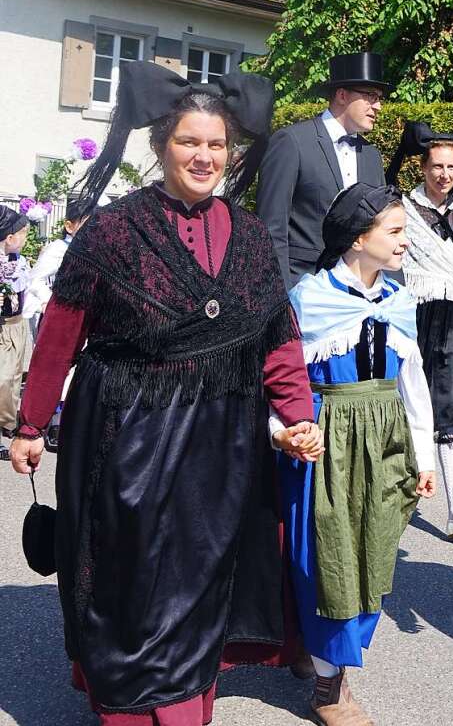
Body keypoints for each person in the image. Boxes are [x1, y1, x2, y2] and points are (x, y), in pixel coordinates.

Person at [8, 61, 324, 724]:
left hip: (220, 443)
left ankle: (183, 706)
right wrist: (31, 425)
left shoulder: (248, 238)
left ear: (231, 152)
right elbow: (63, 332)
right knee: (130, 583)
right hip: (127, 436)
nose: (204, 156)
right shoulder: (113, 229)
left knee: (200, 579)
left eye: (216, 144)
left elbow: (277, 338)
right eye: (189, 141)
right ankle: (128, 703)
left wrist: (298, 415)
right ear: (161, 147)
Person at [278, 181, 437, 726]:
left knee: (374, 554)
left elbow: (414, 384)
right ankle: (330, 687)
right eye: (395, 232)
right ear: (357, 237)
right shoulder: (310, 298)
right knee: (329, 560)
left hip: (387, 440)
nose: (404, 243)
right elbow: (282, 378)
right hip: (327, 440)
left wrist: (425, 458)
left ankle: (316, 654)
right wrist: (287, 431)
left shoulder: (400, 300)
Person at [387, 121, 453, 539]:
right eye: (437, 166)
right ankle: (395, 498)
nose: (444, 174)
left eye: (451, 167)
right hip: (413, 314)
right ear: (423, 167)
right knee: (405, 405)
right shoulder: (403, 207)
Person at [257, 52, 392, 287]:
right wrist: (281, 298)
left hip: (357, 298)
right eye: (370, 96)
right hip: (302, 288)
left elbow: (379, 228)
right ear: (342, 95)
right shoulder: (292, 142)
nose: (378, 106)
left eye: (379, 98)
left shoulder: (372, 156)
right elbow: (271, 228)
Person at [22, 203, 91, 336]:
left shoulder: (90, 250)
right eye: (85, 224)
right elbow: (35, 279)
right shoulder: (58, 249)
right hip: (60, 317)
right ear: (69, 226)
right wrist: (49, 302)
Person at [0, 207, 32, 462]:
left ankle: (8, 425)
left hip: (17, 324)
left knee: (13, 379)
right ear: (9, 237)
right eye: (22, 234)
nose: (25, 239)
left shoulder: (19, 261)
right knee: (2, 379)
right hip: (3, 326)